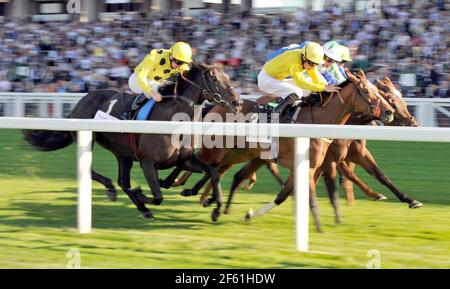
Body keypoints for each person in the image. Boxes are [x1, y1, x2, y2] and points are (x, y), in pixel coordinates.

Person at [257, 41, 340, 115]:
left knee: (308, 85)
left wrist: (326, 87)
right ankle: (275, 113)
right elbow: (301, 82)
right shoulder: (295, 62)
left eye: (315, 64)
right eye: (311, 63)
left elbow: (315, 76)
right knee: (297, 92)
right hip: (266, 80)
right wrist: (323, 88)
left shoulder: (308, 59)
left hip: (275, 79)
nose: (313, 66)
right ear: (304, 58)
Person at [125, 42, 193, 117]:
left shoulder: (181, 65)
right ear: (171, 56)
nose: (179, 65)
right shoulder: (155, 56)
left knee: (170, 87)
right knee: (158, 88)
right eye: (178, 62)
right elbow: (141, 76)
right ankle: (130, 112)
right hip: (136, 80)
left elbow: (191, 79)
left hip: (154, 82)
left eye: (183, 63)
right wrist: (151, 92)